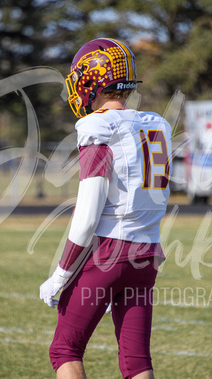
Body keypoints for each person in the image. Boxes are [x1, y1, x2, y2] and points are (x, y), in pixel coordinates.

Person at [39, 38, 172, 379]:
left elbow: (86, 216)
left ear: (93, 80)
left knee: (65, 350)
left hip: (108, 250)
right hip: (147, 250)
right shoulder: (156, 124)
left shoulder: (99, 126)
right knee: (137, 360)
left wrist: (61, 274)